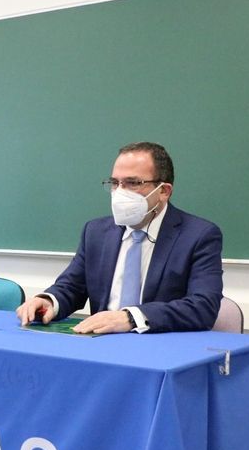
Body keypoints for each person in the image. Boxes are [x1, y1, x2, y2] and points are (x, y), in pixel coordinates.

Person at [16, 142, 223, 334]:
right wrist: (49, 301)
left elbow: (203, 306)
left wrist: (131, 318)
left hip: (160, 348)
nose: (120, 192)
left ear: (164, 191)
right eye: (115, 183)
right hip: (101, 346)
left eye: (133, 183)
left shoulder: (198, 235)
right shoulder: (96, 232)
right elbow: (72, 287)